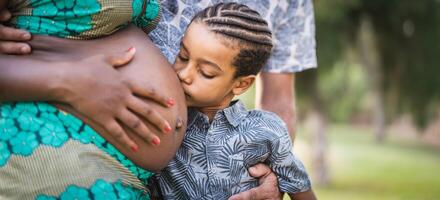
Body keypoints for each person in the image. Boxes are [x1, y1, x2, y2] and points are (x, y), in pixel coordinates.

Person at [0, 0, 283, 199]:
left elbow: (280, 102)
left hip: (133, 178)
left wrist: (269, 173)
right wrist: (70, 81)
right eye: (183, 57)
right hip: (46, 154)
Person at [151, 3, 317, 200]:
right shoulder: (166, 126)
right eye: (183, 57)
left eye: (206, 73)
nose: (184, 74)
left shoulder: (266, 131)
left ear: (241, 84)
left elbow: (300, 188)